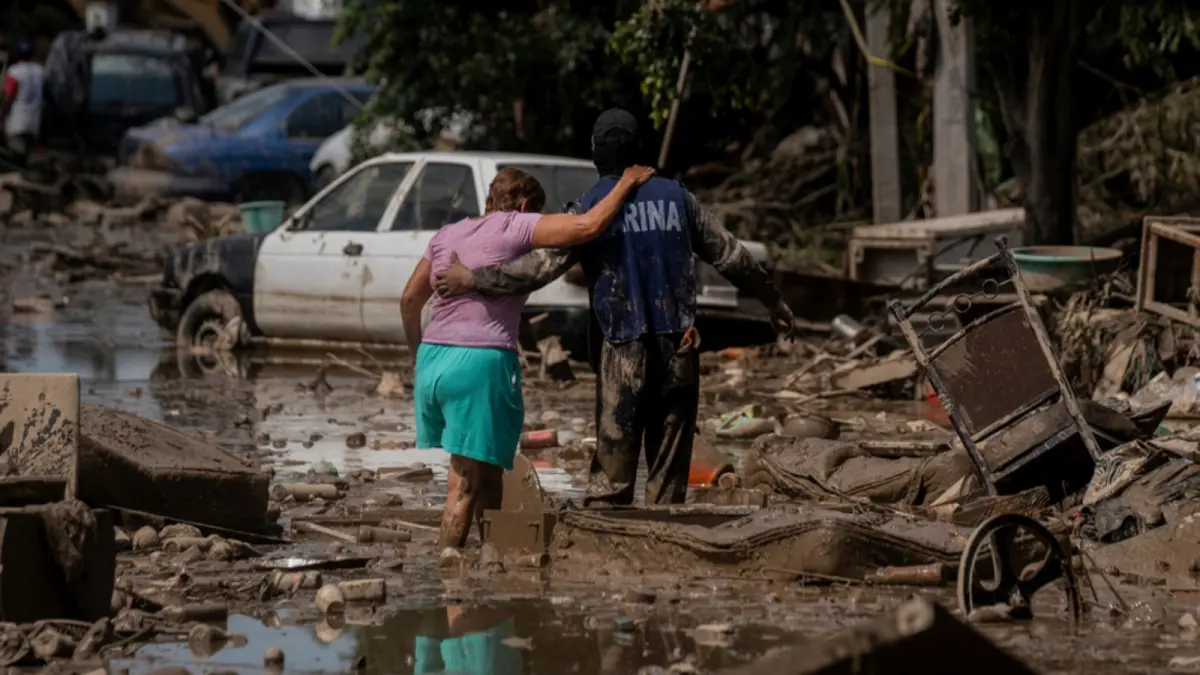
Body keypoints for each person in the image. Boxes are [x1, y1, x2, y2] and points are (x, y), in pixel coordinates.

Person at [434, 108, 796, 508]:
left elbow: (539, 268)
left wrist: (473, 279)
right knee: (668, 470)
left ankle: (608, 555)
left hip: (621, 349)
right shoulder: (679, 198)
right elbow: (732, 256)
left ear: (596, 152)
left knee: (611, 476)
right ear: (638, 149)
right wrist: (773, 301)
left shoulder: (591, 207)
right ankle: (666, 549)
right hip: (679, 347)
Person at [399, 164, 655, 550]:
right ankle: (448, 578)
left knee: (490, 470)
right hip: (480, 362)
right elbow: (587, 227)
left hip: (434, 359)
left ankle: (492, 559)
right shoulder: (515, 226)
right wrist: (625, 183)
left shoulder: (447, 233)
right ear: (521, 204)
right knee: (464, 482)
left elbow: (408, 300)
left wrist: (416, 355)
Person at [2, 38, 43, 164]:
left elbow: (9, 96)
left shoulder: (14, 71)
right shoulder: (40, 71)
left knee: (16, 158)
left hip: (16, 122)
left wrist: (2, 114)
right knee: (28, 156)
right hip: (34, 122)